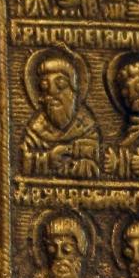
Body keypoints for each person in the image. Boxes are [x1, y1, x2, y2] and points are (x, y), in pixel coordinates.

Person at [20, 47, 101, 179]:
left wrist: (82, 162)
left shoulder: (87, 126)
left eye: (60, 84)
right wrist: (48, 159)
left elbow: (99, 162)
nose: (52, 91)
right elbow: (23, 162)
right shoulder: (36, 130)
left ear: (74, 91)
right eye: (45, 86)